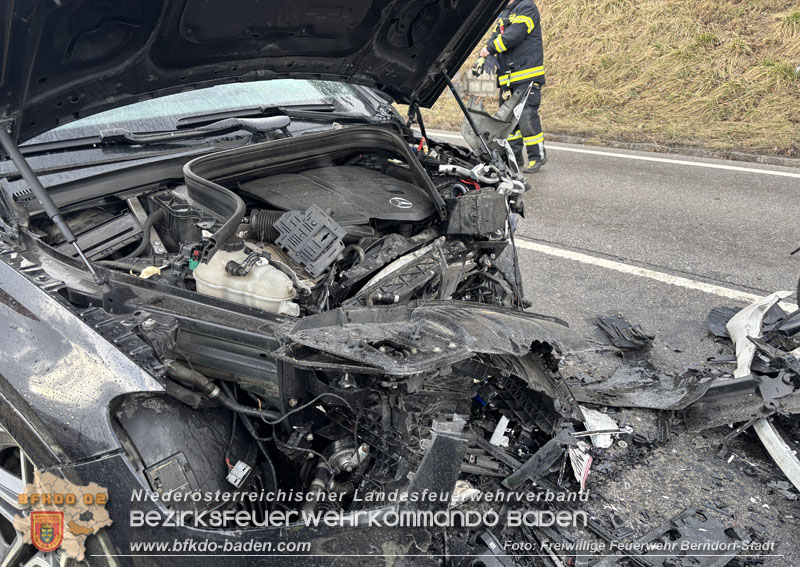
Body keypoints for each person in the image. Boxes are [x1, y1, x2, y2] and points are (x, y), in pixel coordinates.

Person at [480, 0, 546, 173]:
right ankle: (515, 159)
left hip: (527, 75)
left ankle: (537, 157)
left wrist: (491, 49)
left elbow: (514, 35)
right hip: (509, 79)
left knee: (526, 117)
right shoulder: (504, 13)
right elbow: (496, 35)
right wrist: (486, 53)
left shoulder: (526, 7)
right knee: (508, 121)